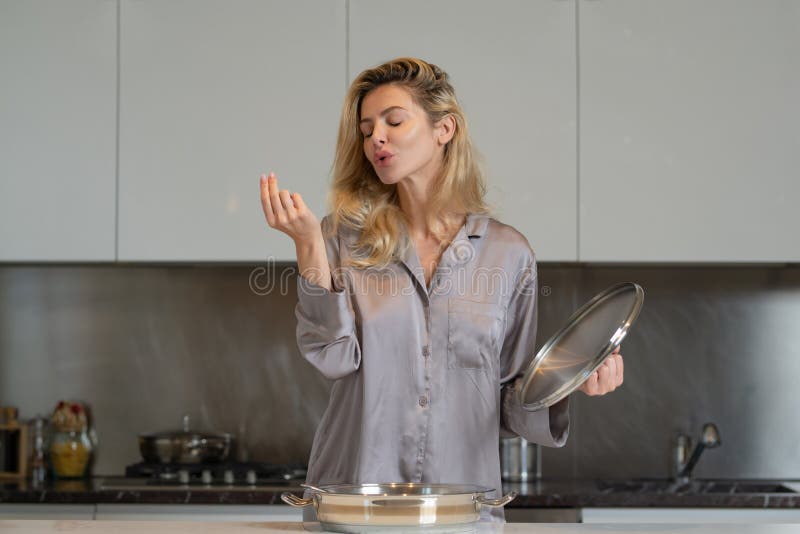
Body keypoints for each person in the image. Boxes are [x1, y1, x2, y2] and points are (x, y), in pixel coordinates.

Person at [259, 57, 624, 521]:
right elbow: (332, 357)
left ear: (444, 129)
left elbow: (511, 398)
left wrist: (572, 380)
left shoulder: (508, 254)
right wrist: (308, 245)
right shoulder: (338, 237)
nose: (377, 139)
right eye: (367, 129)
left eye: (393, 121)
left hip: (462, 514)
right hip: (356, 507)